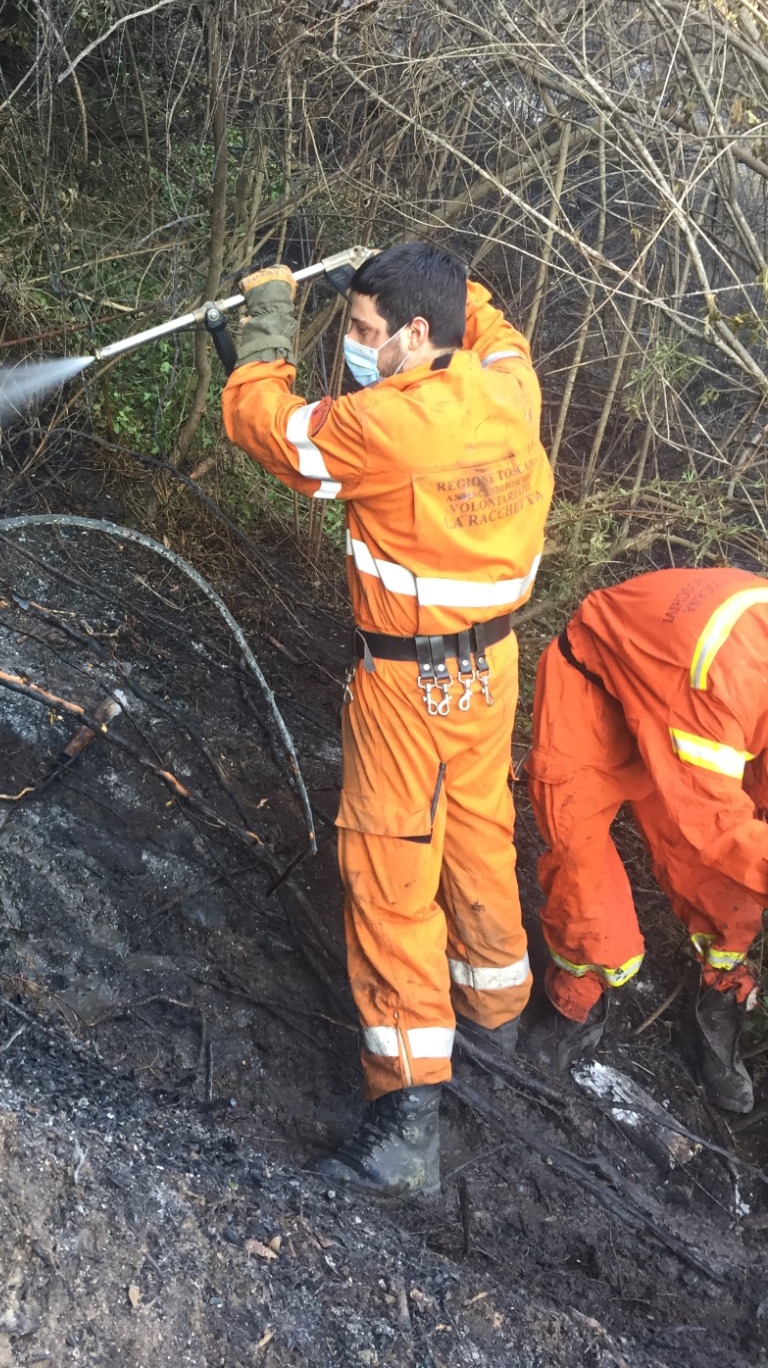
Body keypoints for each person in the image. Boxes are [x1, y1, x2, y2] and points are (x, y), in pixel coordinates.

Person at [222, 241, 552, 1194]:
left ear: (417, 336)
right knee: (481, 834)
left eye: (365, 333)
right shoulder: (506, 384)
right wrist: (404, 269)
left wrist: (270, 319)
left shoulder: (389, 427)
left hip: (410, 686)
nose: (355, 348)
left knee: (390, 869)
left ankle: (408, 1117)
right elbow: (491, 323)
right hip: (490, 669)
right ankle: (497, 1024)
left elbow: (263, 422)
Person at [526, 566, 768, 1112]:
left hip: (681, 703)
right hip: (594, 692)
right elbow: (716, 824)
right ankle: (574, 1003)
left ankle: (721, 991)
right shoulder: (724, 679)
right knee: (579, 864)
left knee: (722, 883)